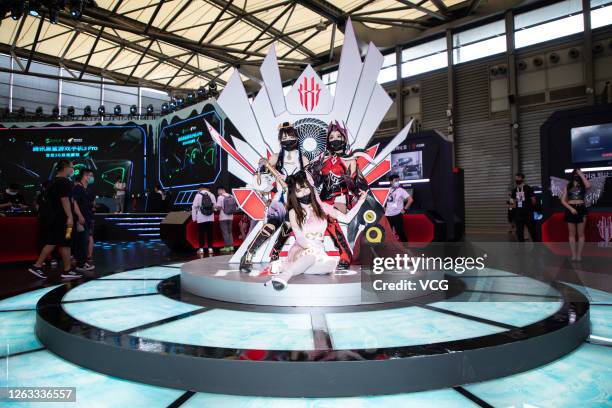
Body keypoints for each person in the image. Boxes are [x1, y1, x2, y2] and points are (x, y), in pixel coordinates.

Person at [265, 171, 367, 291]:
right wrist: (310, 248)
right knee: (310, 257)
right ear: (294, 194)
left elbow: (347, 219)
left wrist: (361, 201)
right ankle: (285, 276)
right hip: (301, 249)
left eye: (305, 188)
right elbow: (299, 237)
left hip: (319, 251)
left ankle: (292, 269)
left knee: (332, 264)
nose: (303, 192)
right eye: (298, 191)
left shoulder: (323, 207)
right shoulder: (293, 212)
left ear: (310, 187)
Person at [239, 122, 310, 272]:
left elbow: (308, 183)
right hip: (280, 199)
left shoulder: (304, 159)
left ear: (297, 137)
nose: (288, 139)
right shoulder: (275, 158)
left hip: (297, 201)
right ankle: (247, 255)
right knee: (270, 227)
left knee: (288, 228)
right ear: (280, 140)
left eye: (291, 135)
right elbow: (264, 182)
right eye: (284, 137)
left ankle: (275, 256)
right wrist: (263, 168)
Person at [28, 160, 82, 280]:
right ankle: (37, 266)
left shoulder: (53, 182)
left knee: (63, 243)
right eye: (72, 167)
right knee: (56, 242)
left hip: (56, 219)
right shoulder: (64, 182)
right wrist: (70, 217)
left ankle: (67, 270)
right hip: (62, 220)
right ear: (66, 168)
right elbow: (65, 200)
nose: (73, 170)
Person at [561, 169, 591, 261]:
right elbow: (562, 200)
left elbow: (589, 185)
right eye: (575, 174)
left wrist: (581, 174)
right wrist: (571, 208)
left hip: (581, 209)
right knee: (572, 234)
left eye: (578, 174)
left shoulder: (583, 185)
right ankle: (574, 255)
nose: (576, 175)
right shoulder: (568, 185)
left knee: (581, 234)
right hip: (571, 209)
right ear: (572, 175)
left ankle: (579, 255)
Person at [72, 168, 96, 272]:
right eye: (90, 175)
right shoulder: (78, 188)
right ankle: (80, 264)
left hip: (88, 218)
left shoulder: (88, 189)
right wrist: (79, 216)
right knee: (81, 241)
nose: (91, 178)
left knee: (85, 240)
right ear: (85, 176)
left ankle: (83, 261)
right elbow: (74, 202)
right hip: (80, 219)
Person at [384, 174, 413, 242]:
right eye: (396, 180)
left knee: (400, 233)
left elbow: (410, 200)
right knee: (387, 234)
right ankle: (389, 249)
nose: (398, 182)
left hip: (397, 215)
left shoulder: (401, 190)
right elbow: (383, 200)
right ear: (391, 182)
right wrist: (384, 207)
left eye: (398, 180)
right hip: (388, 215)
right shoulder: (387, 190)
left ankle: (407, 248)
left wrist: (405, 209)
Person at [511, 172, 537, 243]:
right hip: (518, 214)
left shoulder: (528, 188)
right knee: (519, 233)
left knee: (532, 231)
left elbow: (533, 200)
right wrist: (512, 210)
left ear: (522, 179)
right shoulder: (514, 190)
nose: (517, 180)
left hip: (528, 213)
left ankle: (537, 247)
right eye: (516, 178)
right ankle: (521, 249)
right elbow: (512, 202)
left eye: (518, 178)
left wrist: (529, 206)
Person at [192, 185, 216, 255]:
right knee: (210, 233)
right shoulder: (212, 195)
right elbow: (214, 206)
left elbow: (194, 207)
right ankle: (210, 248)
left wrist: (194, 218)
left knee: (201, 233)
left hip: (201, 217)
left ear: (200, 188)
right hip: (210, 217)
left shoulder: (198, 195)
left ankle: (201, 249)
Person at [215, 186, 235, 253]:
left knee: (225, 232)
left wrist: (215, 207)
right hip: (231, 217)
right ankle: (231, 246)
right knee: (230, 232)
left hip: (223, 217)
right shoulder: (231, 196)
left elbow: (219, 207)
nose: (218, 192)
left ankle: (227, 247)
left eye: (218, 191)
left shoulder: (220, 197)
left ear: (221, 190)